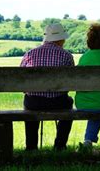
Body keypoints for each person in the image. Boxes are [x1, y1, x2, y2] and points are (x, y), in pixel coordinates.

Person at [20, 23, 74, 151]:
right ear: (61, 39)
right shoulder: (67, 56)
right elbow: (71, 83)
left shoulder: (29, 54)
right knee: (69, 103)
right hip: (58, 102)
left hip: (34, 102)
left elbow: (21, 82)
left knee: (29, 103)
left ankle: (31, 147)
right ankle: (60, 145)